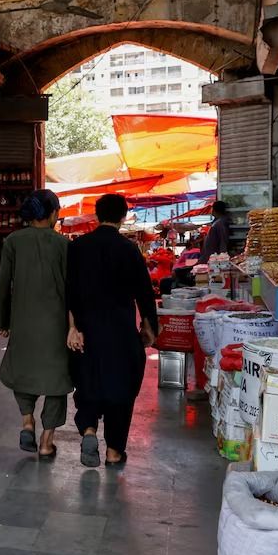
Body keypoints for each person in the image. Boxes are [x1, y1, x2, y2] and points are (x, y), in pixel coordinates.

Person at [67, 194, 158, 468]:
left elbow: (68, 291)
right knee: (122, 389)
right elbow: (145, 293)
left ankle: (89, 431)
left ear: (96, 215)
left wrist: (71, 327)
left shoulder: (78, 247)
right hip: (120, 332)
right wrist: (149, 326)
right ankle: (114, 452)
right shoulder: (128, 249)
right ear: (122, 217)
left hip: (86, 331)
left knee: (88, 383)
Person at [0, 190, 71, 459]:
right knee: (58, 381)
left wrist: (2, 320)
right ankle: (46, 442)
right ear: (51, 214)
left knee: (22, 371)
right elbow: (72, 289)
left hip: (22, 321)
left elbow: (3, 284)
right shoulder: (63, 245)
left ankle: (27, 420)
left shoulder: (13, 241)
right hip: (55, 324)